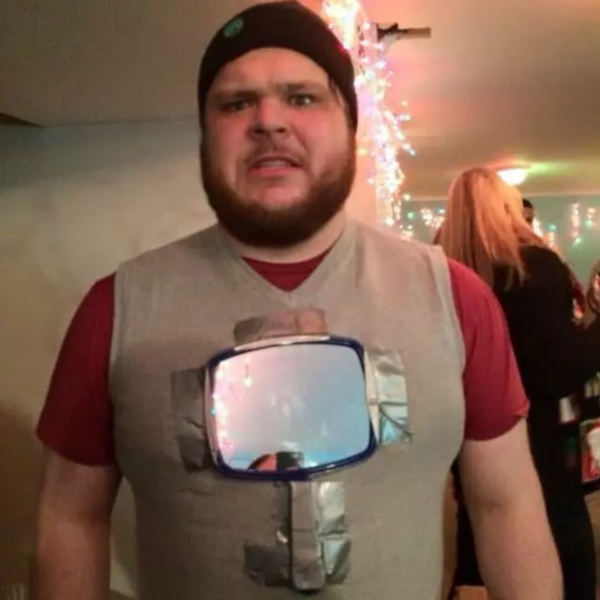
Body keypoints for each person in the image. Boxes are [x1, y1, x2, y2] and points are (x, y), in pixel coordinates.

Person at [32, 3, 561, 599]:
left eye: (302, 98)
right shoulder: (115, 310)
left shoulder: (457, 299)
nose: (268, 121)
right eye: (236, 103)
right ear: (206, 136)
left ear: (350, 127)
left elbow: (506, 505)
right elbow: (70, 518)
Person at [438, 166, 600, 600]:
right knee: (557, 553)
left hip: (464, 440)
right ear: (505, 210)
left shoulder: (442, 276)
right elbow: (561, 368)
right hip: (540, 438)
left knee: (478, 550)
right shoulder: (533, 267)